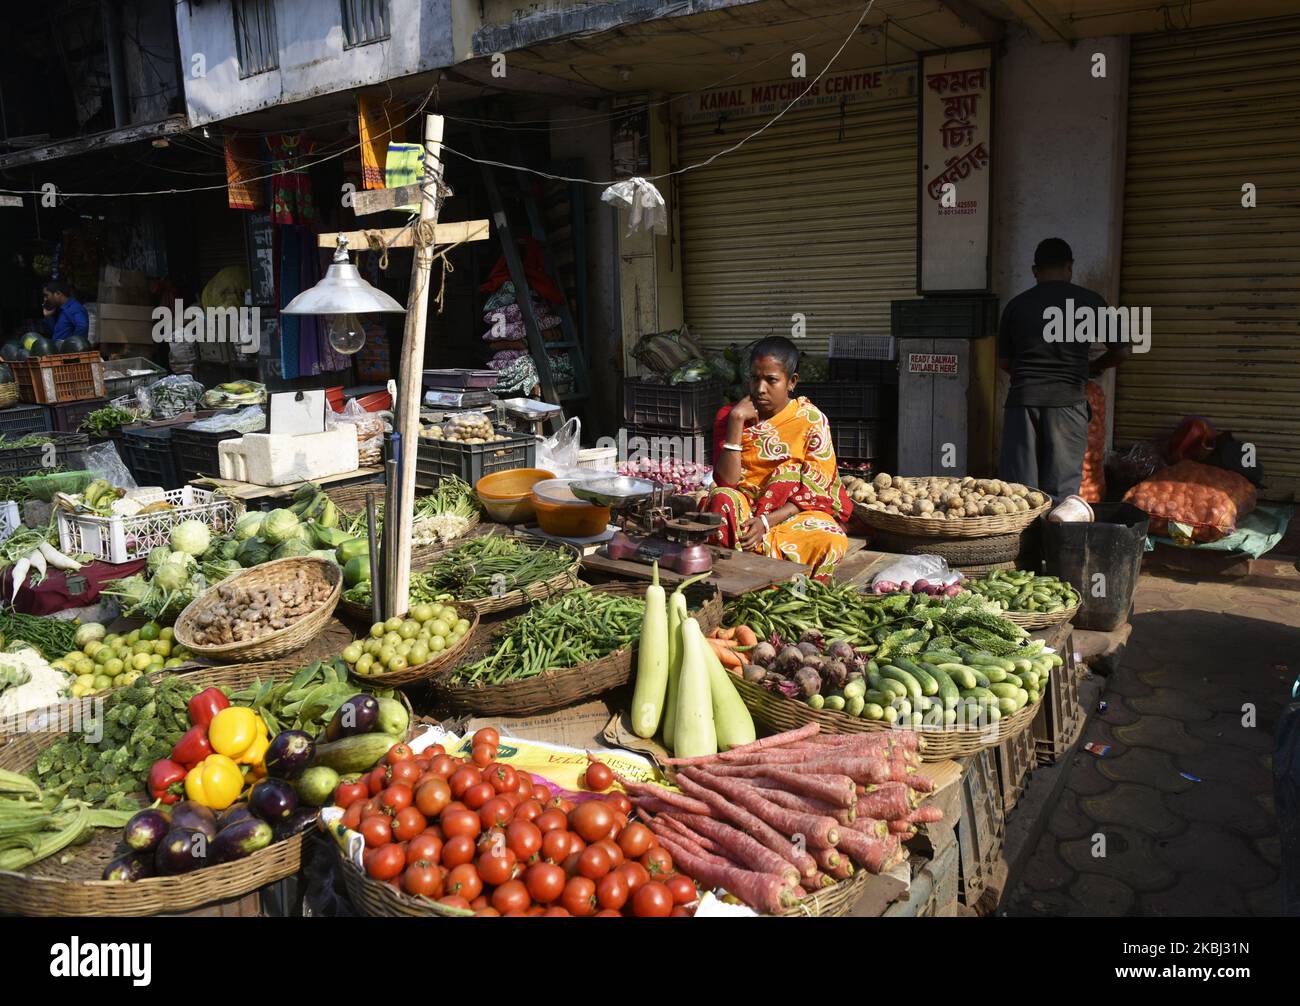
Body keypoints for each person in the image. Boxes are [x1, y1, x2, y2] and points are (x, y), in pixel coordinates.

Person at [707, 337, 853, 579]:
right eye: (754, 378)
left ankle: (767, 579)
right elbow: (727, 483)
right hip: (744, 514)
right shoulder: (730, 416)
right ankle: (735, 578)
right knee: (722, 499)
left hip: (792, 514)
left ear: (791, 382)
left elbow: (816, 489)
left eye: (771, 380)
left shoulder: (810, 420)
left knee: (830, 539)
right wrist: (735, 422)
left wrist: (766, 522)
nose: (760, 388)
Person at [997, 238, 1128, 501]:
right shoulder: (1091, 302)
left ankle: (1022, 542)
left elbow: (1004, 363)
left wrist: (1031, 377)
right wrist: (1094, 366)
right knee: (1060, 493)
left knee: (1018, 493)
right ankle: (1055, 541)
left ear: (1035, 270)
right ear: (1069, 267)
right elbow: (1122, 351)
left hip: (1022, 404)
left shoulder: (1016, 305)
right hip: (1067, 404)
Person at [41, 280, 89, 345]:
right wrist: (48, 316)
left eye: (47, 295)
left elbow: (83, 326)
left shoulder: (74, 307)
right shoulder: (62, 309)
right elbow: (57, 333)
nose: (45, 299)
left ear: (58, 294)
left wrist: (72, 346)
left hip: (69, 354)